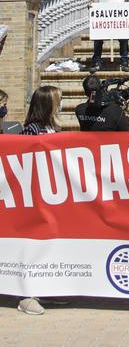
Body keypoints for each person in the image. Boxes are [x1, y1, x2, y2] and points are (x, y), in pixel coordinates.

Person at [17, 85, 63, 316]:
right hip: (35, 196)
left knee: (50, 243)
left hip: (53, 195)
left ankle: (45, 288)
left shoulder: (53, 127)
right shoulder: (32, 129)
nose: (61, 103)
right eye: (58, 100)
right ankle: (27, 295)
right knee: (34, 244)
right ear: (48, 104)